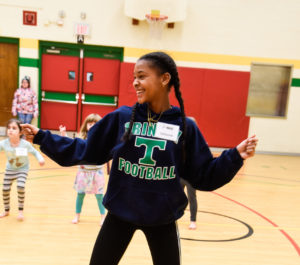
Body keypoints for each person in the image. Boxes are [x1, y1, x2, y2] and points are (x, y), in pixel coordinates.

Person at [21, 51, 258, 265]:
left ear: (165, 79)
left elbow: (204, 175)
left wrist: (235, 156)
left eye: (142, 76)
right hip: (120, 213)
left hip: (162, 218)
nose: (135, 82)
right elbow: (85, 150)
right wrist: (43, 137)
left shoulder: (185, 126)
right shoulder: (122, 118)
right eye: (134, 77)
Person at [59, 114, 106, 225]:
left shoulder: (102, 139)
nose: (92, 126)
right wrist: (63, 134)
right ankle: (77, 215)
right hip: (83, 172)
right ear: (86, 126)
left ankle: (103, 216)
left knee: (99, 196)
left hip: (97, 172)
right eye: (90, 124)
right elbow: (71, 144)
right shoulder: (82, 138)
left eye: (95, 124)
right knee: (80, 194)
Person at [0, 119, 45, 221]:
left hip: (22, 169)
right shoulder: (3, 143)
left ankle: (20, 211)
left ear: (20, 132)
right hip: (9, 169)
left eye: (14, 128)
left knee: (20, 186)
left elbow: (35, 152)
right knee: (5, 189)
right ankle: (6, 210)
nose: (10, 130)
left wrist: (40, 159)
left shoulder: (25, 144)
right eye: (9, 128)